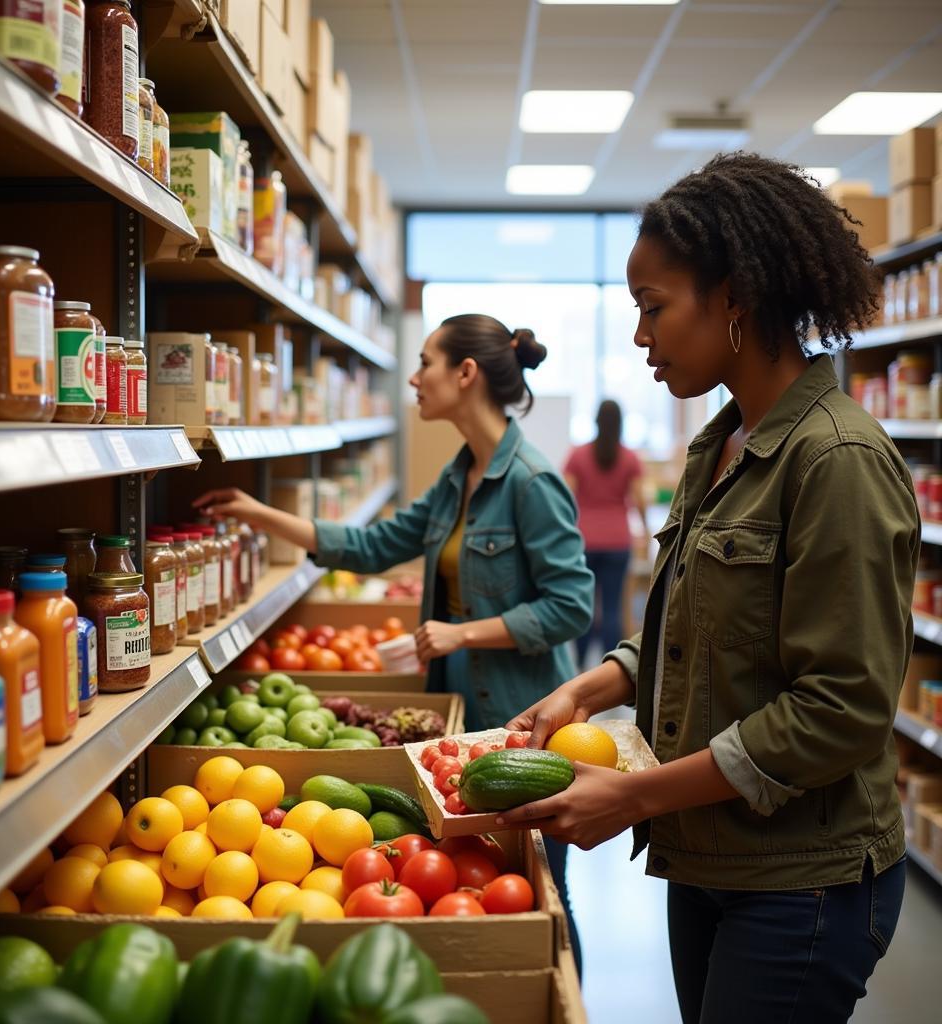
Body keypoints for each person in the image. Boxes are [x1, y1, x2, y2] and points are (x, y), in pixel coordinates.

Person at [499, 153, 918, 1024]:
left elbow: (842, 706)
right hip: (711, 855)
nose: (642, 337)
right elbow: (689, 631)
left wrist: (636, 795)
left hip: (803, 881)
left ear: (735, 296)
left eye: (654, 308)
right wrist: (587, 688)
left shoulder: (835, 460)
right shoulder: (721, 445)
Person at [194, 312, 593, 969]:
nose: (413, 376)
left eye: (427, 361)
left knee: (545, 893)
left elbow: (572, 606)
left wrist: (462, 632)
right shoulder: (458, 476)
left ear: (465, 374)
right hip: (463, 716)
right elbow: (378, 544)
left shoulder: (531, 483)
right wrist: (261, 515)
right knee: (490, 885)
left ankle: (565, 998)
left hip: (523, 722)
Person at [563, 399, 647, 666]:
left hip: (584, 541)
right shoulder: (629, 457)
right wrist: (644, 529)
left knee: (585, 607)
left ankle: (579, 667)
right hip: (617, 541)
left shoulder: (578, 455)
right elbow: (639, 499)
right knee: (612, 608)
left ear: (596, 421)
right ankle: (610, 670)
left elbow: (565, 495)